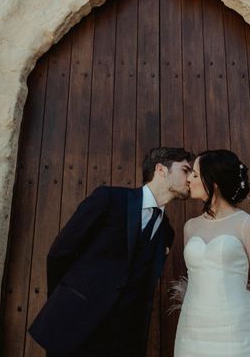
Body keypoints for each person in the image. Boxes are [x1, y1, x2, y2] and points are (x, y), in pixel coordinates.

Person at [28, 147, 192, 357]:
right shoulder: (110, 199)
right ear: (161, 170)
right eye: (185, 170)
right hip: (75, 323)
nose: (190, 178)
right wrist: (66, 302)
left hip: (121, 340)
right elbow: (61, 252)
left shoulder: (167, 232)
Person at [173, 149, 250, 357]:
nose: (189, 179)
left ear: (212, 181)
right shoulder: (190, 227)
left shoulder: (246, 224)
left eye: (194, 174)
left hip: (235, 325)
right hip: (192, 323)